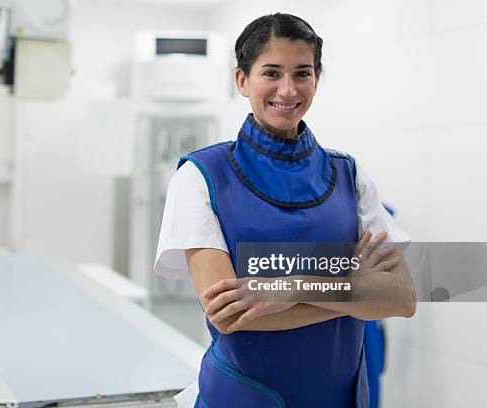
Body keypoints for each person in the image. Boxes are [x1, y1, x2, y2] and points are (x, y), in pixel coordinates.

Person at [154, 13, 416, 408]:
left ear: (317, 78)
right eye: (271, 72)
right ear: (242, 80)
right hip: (243, 397)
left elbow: (402, 298)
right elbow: (230, 315)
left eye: (302, 73)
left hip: (340, 396)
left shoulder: (348, 173)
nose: (288, 89)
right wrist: (353, 288)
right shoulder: (201, 176)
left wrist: (282, 288)